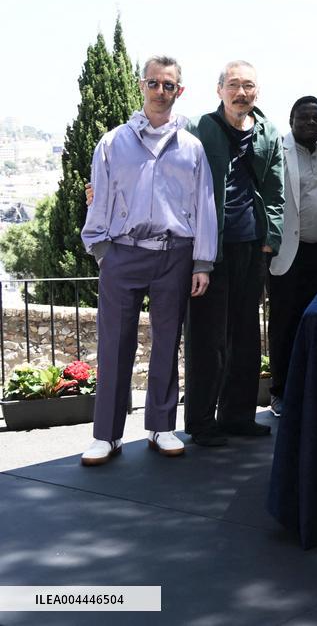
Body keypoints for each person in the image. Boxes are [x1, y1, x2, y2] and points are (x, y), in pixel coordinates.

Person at [80, 55, 216, 465]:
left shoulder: (192, 147)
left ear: (179, 91)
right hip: (122, 253)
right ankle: (106, 435)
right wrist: (102, 249)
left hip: (174, 255)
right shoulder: (113, 142)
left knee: (166, 344)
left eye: (168, 85)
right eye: (154, 83)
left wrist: (202, 262)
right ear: (142, 86)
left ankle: (161, 426)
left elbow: (204, 204)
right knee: (113, 346)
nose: (161, 91)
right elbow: (100, 196)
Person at [184, 61, 284, 447]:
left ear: (257, 91)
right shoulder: (197, 129)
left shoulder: (267, 132)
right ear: (219, 89)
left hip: (252, 245)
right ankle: (200, 422)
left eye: (248, 86)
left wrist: (269, 239)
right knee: (208, 337)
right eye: (233, 85)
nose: (241, 92)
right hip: (210, 247)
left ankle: (238, 416)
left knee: (245, 336)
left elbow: (276, 190)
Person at [266, 96, 317, 418]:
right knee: (284, 324)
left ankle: (306, 390)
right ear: (291, 119)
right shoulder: (277, 151)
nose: (312, 123)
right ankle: (279, 392)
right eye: (306, 117)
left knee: (311, 323)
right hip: (287, 253)